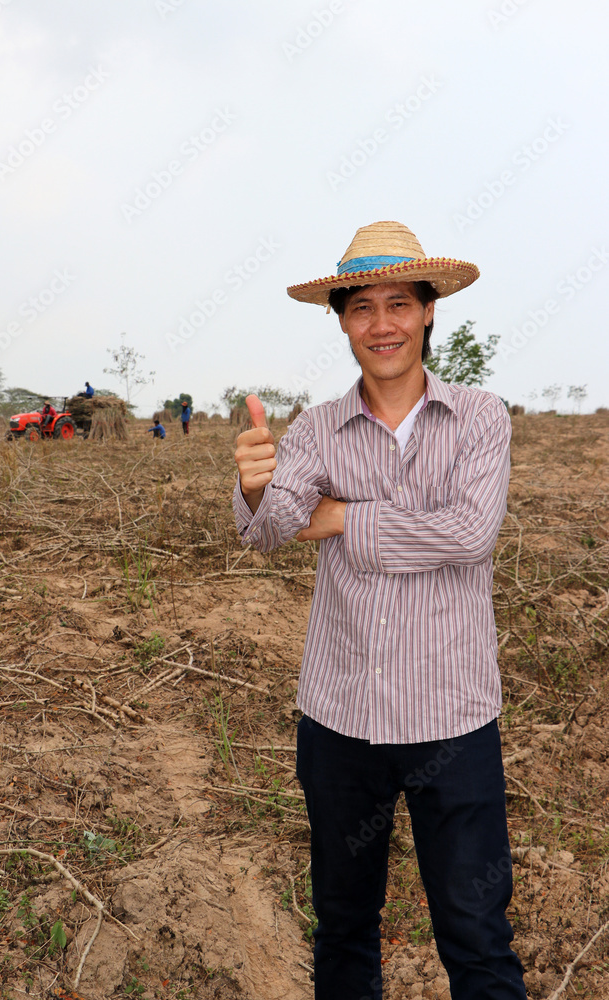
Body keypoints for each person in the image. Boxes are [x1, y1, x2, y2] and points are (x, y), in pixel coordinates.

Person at [233, 221, 527, 1000]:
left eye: (399, 303)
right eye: (361, 307)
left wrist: (342, 517)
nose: (382, 324)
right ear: (340, 321)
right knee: (343, 925)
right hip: (340, 720)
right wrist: (261, 484)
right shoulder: (316, 428)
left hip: (452, 718)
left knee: (475, 933)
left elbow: (468, 533)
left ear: (428, 311)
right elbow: (268, 532)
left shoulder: (479, 417)